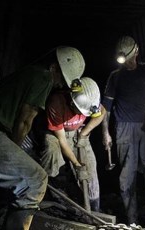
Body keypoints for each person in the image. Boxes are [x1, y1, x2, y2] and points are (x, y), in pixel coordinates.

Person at [0, 46, 85, 230]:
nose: (59, 85)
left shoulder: (29, 73)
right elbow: (25, 121)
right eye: (61, 79)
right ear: (54, 67)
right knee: (37, 178)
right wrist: (14, 150)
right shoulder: (43, 77)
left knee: (10, 188)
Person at [101, 35, 145, 226]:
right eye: (126, 59)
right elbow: (105, 108)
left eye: (132, 58)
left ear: (137, 52)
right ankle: (132, 221)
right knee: (127, 176)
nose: (130, 63)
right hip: (124, 128)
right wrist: (105, 133)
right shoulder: (115, 76)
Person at [32, 77, 105, 211]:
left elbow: (102, 113)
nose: (81, 114)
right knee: (52, 154)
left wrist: (84, 133)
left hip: (77, 131)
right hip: (56, 133)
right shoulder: (56, 103)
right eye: (79, 111)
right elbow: (62, 141)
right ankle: (47, 195)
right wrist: (76, 164)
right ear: (72, 102)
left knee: (90, 167)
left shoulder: (90, 101)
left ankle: (94, 208)